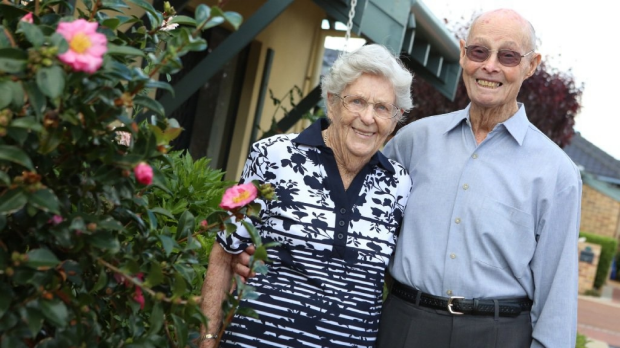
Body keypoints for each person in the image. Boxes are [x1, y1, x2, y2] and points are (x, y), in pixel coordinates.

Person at [376, 9, 582, 348]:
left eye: (508, 56)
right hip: (405, 324)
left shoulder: (557, 172)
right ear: (462, 54)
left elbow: (558, 291)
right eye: (479, 51)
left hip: (497, 335)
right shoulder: (412, 142)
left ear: (531, 65)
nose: (490, 66)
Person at [199, 44, 414, 348]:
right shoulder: (273, 156)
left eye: (382, 108)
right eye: (357, 101)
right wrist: (207, 340)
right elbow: (224, 254)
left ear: (396, 118)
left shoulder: (399, 184)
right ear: (332, 102)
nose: (368, 117)